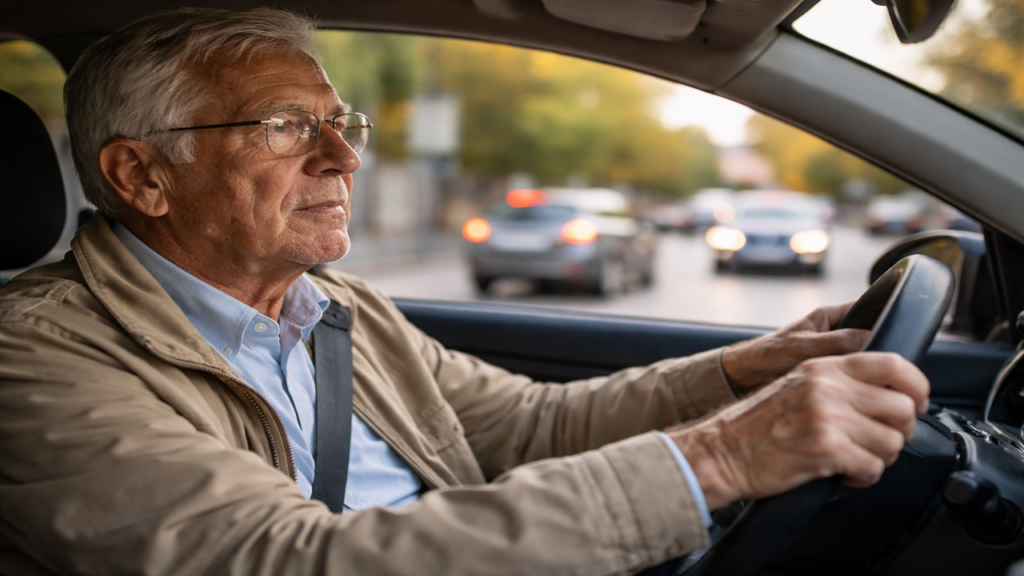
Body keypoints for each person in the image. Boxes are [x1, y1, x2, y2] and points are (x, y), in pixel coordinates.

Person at [0, 7, 928, 576]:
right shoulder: (34, 357)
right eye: (286, 127)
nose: (344, 157)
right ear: (142, 176)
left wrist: (741, 372)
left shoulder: (338, 309)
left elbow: (527, 426)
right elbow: (288, 559)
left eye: (341, 122)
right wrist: (720, 458)